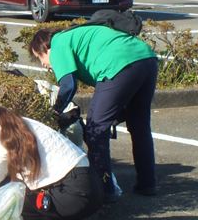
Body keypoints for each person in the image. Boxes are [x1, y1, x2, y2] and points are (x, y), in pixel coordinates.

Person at [29, 25, 158, 202]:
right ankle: (147, 184)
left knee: (96, 129)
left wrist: (54, 113)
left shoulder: (57, 43)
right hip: (146, 58)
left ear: (44, 48)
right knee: (139, 126)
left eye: (40, 58)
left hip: (118, 64)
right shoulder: (73, 36)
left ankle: (104, 191)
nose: (44, 64)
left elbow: (68, 85)